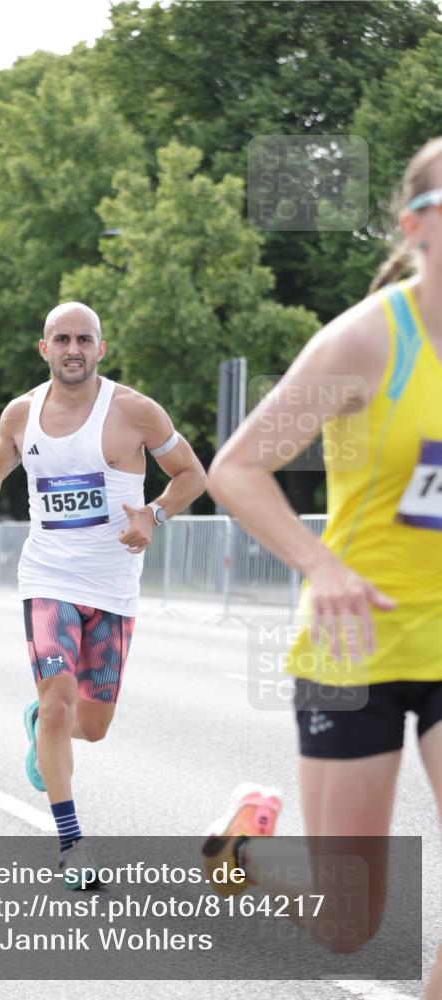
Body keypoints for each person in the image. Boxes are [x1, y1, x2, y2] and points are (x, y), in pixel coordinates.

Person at [206, 137, 442, 995]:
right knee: (348, 927)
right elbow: (236, 468)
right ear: (418, 225)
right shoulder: (367, 340)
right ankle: (243, 853)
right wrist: (322, 566)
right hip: (356, 647)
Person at [0, 301, 207, 887]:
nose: (73, 349)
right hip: (47, 577)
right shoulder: (21, 415)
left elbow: (192, 474)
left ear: (100, 348)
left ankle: (41, 720)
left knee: (89, 726)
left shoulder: (135, 411)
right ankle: (71, 845)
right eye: (61, 339)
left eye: (83, 339)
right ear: (44, 348)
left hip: (114, 586)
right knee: (63, 704)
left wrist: (154, 514)